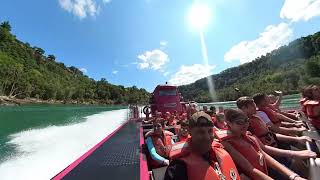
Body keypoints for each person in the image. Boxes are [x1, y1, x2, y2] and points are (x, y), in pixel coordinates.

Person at [216, 109, 306, 180]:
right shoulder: (227, 143)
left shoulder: (247, 135)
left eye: (246, 121)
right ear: (229, 123)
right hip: (255, 176)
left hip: (264, 170)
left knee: (299, 164)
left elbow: (263, 154)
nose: (245, 125)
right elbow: (250, 169)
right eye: (239, 122)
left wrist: (292, 176)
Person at [164, 111, 240, 180]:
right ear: (190, 132)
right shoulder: (178, 168)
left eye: (210, 131)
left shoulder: (221, 152)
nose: (207, 137)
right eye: (201, 132)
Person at [236, 97, 316, 160]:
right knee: (298, 162)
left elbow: (271, 134)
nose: (255, 108)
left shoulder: (256, 118)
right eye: (253, 106)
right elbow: (262, 148)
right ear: (244, 108)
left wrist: (297, 139)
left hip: (275, 147)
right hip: (269, 156)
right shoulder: (245, 126)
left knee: (300, 161)